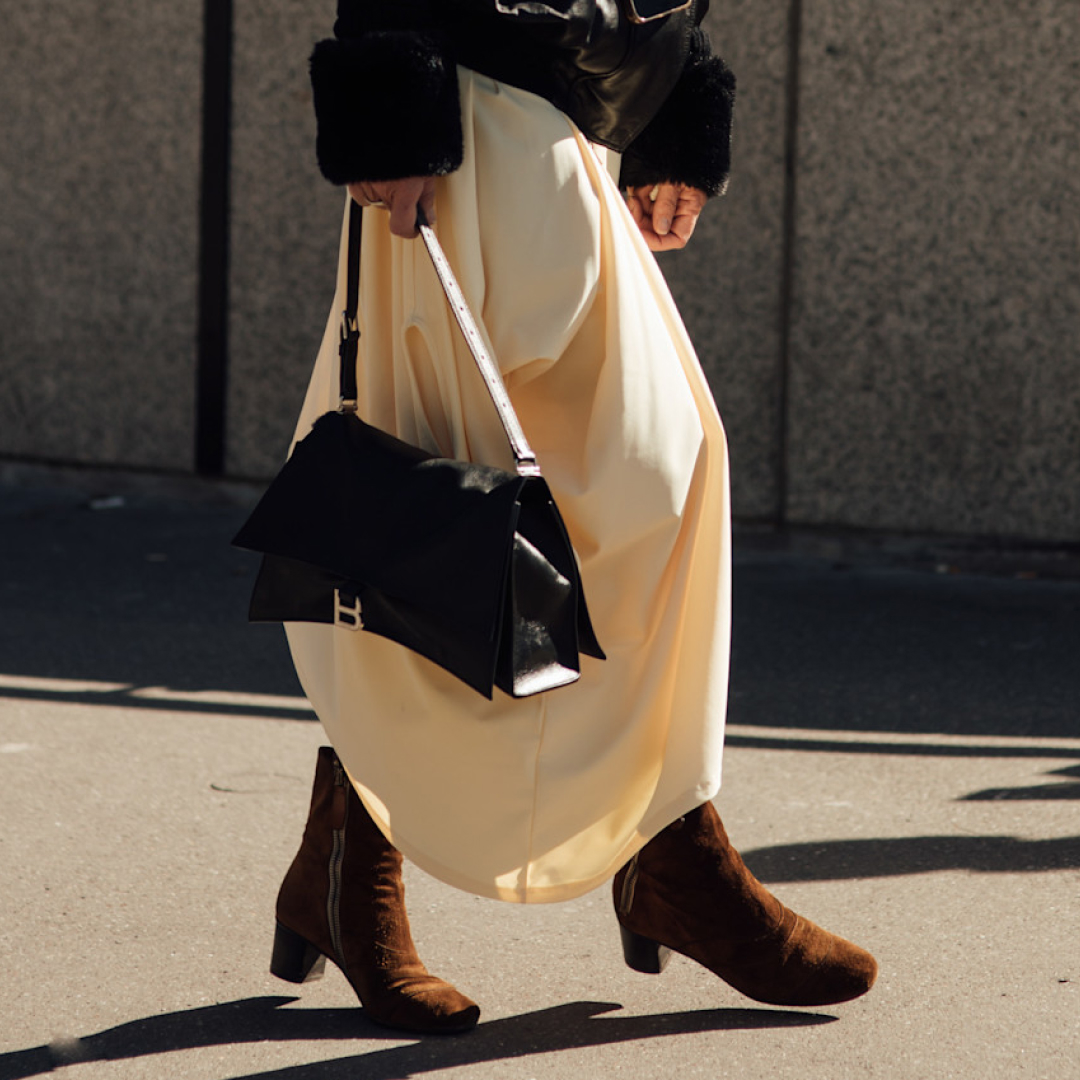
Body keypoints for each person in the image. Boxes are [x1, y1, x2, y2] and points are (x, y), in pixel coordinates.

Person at [268, 0, 877, 1035]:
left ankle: (664, 845)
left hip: (573, 126)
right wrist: (391, 111)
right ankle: (355, 863)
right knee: (436, 511)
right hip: (465, 127)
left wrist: (675, 95)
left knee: (667, 475)